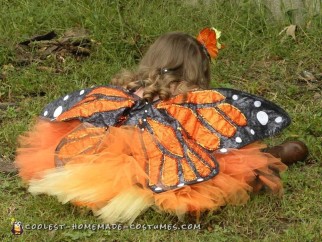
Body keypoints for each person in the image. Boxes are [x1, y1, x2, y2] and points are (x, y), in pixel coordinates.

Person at [15, 28, 308, 224]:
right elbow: (210, 138)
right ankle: (280, 154)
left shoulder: (124, 90)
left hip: (104, 158)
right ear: (198, 69)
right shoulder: (190, 101)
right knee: (227, 159)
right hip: (161, 162)